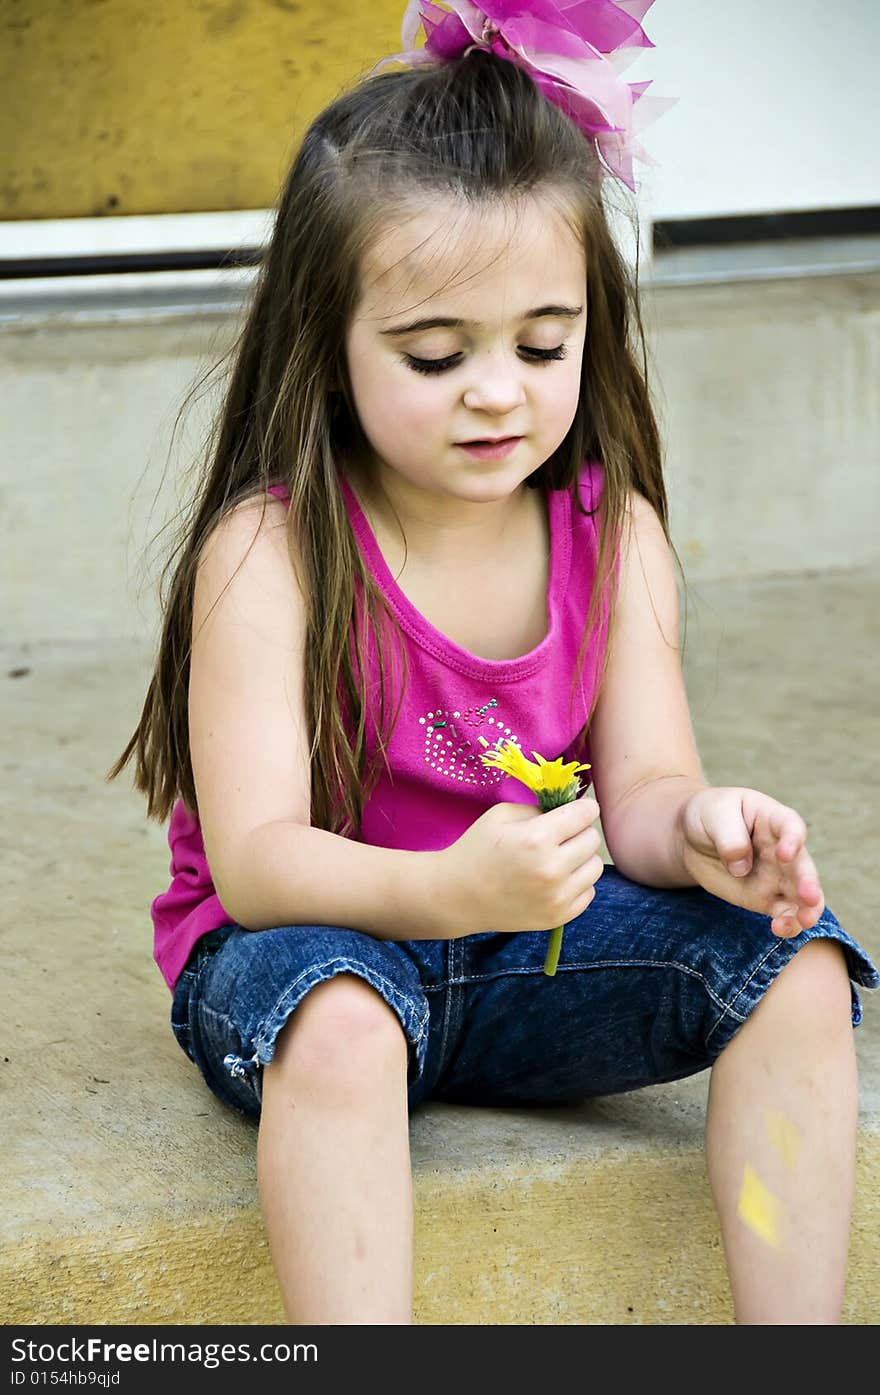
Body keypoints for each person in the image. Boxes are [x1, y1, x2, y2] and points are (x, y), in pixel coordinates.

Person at [109, 1, 877, 1326]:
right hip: (316, 960)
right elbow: (256, 861)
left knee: (800, 962)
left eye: (542, 344)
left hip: (534, 953)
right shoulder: (272, 553)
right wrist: (449, 886)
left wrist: (701, 828)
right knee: (342, 1023)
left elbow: (640, 790)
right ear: (330, 345)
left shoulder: (613, 534)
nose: (498, 392)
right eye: (434, 353)